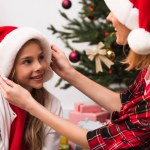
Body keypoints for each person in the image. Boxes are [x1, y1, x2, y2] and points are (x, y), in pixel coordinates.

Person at [0, 0, 150, 149]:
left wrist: (30, 105)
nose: (109, 17)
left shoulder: (50, 104)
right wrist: (69, 73)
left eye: (116, 12)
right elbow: (125, 105)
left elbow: (106, 142)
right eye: (27, 61)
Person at [0, 26, 62, 150]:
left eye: (41, 57)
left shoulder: (52, 104)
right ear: (9, 67)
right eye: (27, 61)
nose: (39, 66)